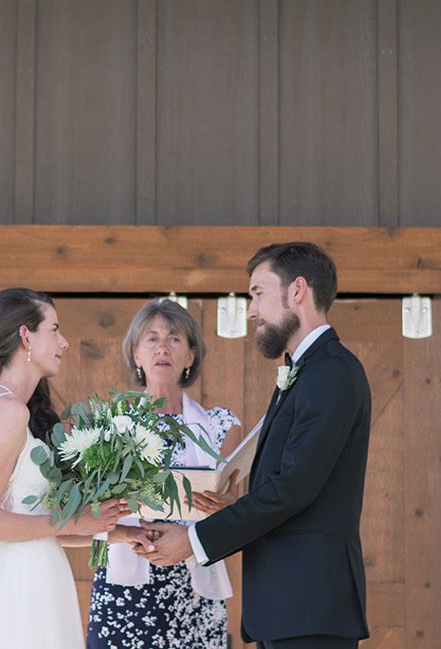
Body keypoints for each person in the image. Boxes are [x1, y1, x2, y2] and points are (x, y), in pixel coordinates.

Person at [138, 242, 371, 649]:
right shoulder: (305, 371)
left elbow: (293, 489)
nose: (250, 311)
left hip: (309, 609)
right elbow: (293, 487)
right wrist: (235, 507)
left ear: (297, 291)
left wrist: (194, 541)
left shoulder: (330, 373)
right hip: (289, 610)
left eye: (257, 294)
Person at [0, 288, 125, 649]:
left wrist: (116, 532)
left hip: (32, 570)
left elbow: (31, 521)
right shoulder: (8, 411)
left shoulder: (9, 407)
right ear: (26, 335)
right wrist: (75, 521)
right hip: (18, 584)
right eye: (54, 329)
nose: (65, 342)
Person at [87, 298, 243, 649]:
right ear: (136, 354)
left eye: (174, 339)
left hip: (196, 593)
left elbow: (235, 513)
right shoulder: (110, 427)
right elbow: (89, 519)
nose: (162, 347)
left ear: (190, 356)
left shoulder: (222, 426)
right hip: (123, 594)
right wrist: (125, 532)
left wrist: (226, 507)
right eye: (151, 338)